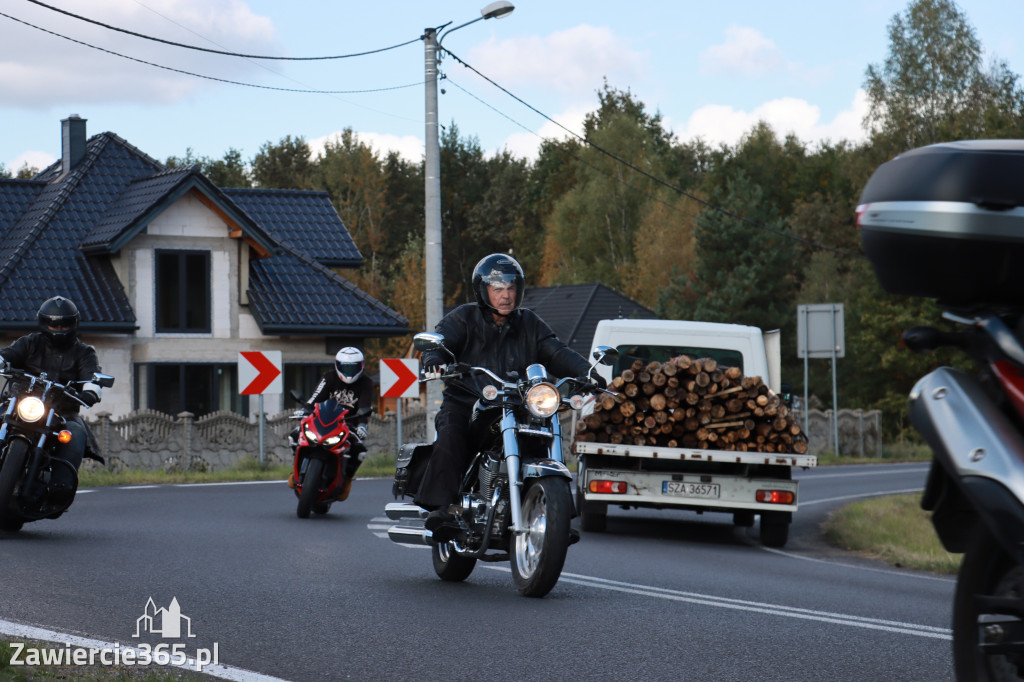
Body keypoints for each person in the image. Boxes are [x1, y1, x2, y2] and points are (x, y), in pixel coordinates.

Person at [414, 253, 605, 535]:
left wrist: (588, 373)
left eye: (511, 288)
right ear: (484, 291)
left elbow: (556, 351)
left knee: (543, 434)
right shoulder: (464, 318)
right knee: (452, 433)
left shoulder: (530, 323)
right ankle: (442, 508)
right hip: (469, 402)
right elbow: (442, 341)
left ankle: (556, 517)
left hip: (518, 405)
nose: (506, 296)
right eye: (498, 289)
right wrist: (434, 357)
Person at [0, 296, 104, 507]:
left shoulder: (84, 352)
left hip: (62, 411)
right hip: (23, 403)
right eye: (53, 323)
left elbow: (93, 376)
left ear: (73, 324)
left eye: (64, 324)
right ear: (43, 322)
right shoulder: (30, 342)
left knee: (75, 433)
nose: (58, 328)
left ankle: (60, 486)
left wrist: (90, 391)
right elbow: (7, 355)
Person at [288, 347, 374, 501]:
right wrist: (305, 410)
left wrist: (362, 425)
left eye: (353, 368)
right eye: (345, 367)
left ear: (361, 366)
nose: (348, 372)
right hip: (322, 419)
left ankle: (346, 479)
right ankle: (295, 471)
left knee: (359, 450)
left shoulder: (366, 383)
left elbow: (365, 405)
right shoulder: (328, 377)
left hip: (348, 424)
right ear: (337, 365)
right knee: (295, 434)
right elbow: (315, 398)